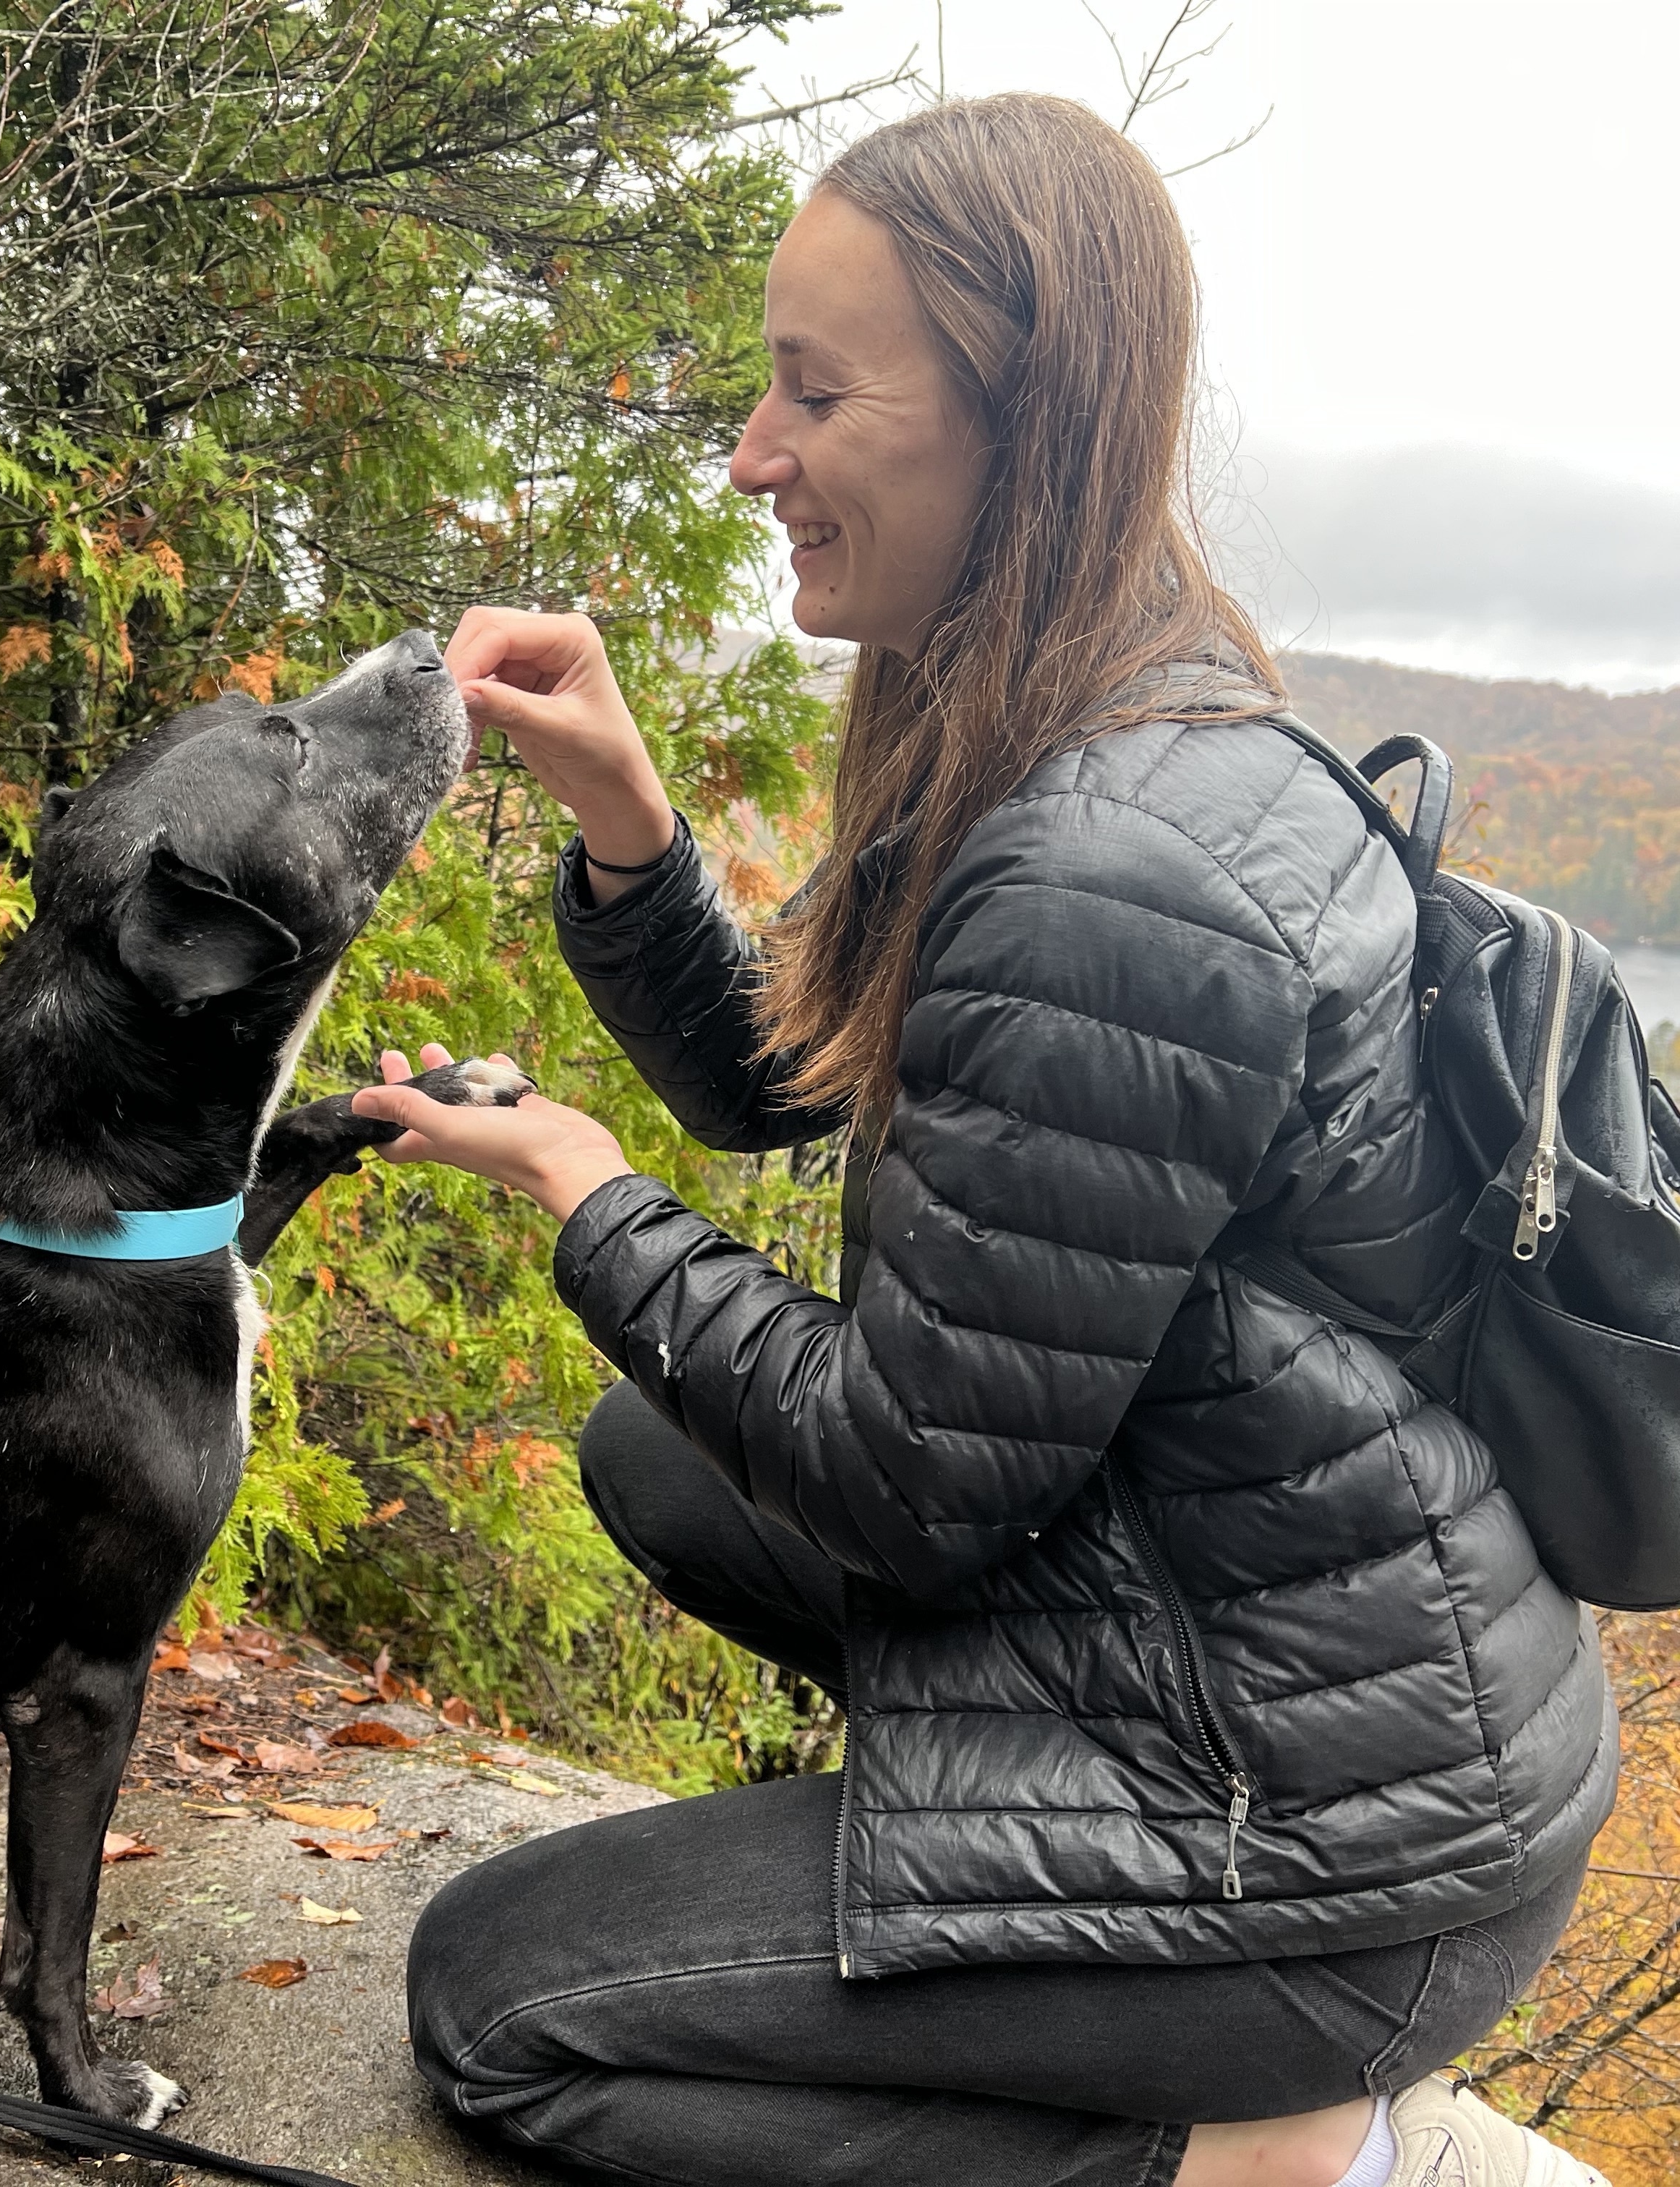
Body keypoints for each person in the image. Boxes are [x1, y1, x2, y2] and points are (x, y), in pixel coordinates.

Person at [349, 94, 1616, 2187]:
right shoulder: (1083, 703)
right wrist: (627, 822)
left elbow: (908, 1485)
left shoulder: (1116, 866)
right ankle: (1034, 1926)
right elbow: (796, 1076)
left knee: (500, 2009)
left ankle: (1249, 2153)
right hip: (1277, 1649)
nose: (753, 455)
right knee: (656, 1451)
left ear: (1017, 419)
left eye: (814, 394)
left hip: (1339, 1844)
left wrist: (583, 1190)